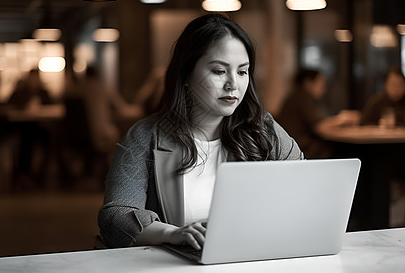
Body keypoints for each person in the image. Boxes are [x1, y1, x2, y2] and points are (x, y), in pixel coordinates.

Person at [97, 14, 304, 250]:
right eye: (219, 71)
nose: (233, 84)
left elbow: (307, 191)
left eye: (242, 72)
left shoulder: (264, 130)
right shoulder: (146, 136)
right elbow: (116, 216)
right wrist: (173, 233)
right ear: (186, 74)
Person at [276, 68, 359, 159]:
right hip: (300, 148)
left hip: (292, 147)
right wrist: (344, 119)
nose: (324, 89)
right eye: (321, 84)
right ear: (308, 83)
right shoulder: (303, 97)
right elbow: (320, 126)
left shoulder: (296, 96)